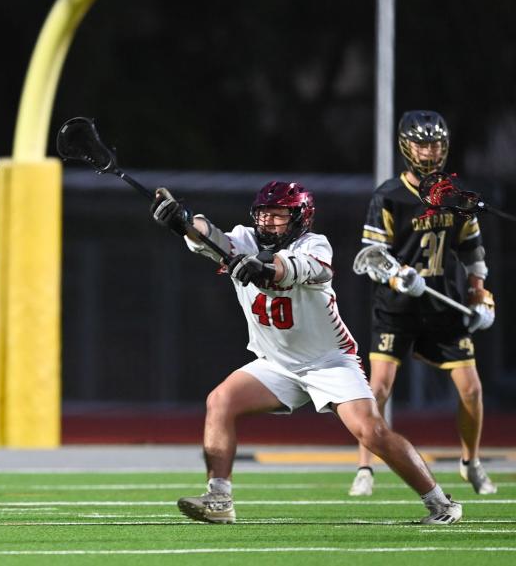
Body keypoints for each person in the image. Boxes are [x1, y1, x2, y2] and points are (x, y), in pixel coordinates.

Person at [150, 181, 462, 525]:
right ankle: (219, 499)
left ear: (299, 218)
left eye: (278, 215)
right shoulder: (245, 239)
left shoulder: (315, 244)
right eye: (263, 214)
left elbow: (289, 270)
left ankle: (441, 504)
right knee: (220, 400)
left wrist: (261, 268)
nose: (267, 222)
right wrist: (182, 220)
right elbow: (208, 234)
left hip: (328, 362)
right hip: (276, 363)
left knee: (371, 432)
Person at [350, 110, 496, 497]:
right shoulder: (389, 195)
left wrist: (480, 294)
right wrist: (398, 275)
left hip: (443, 304)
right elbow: (370, 255)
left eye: (435, 143)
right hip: (395, 307)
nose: (429, 151)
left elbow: (472, 252)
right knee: (377, 388)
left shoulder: (455, 196)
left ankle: (471, 462)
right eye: (422, 142)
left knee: (472, 389)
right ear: (405, 145)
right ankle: (365, 467)